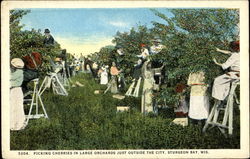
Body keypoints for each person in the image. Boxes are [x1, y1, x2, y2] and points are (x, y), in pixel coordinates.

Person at [10, 58, 27, 130]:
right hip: (13, 90)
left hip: (16, 90)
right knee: (13, 107)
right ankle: (13, 124)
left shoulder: (19, 72)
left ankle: (18, 124)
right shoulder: (17, 71)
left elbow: (10, 77)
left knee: (17, 107)